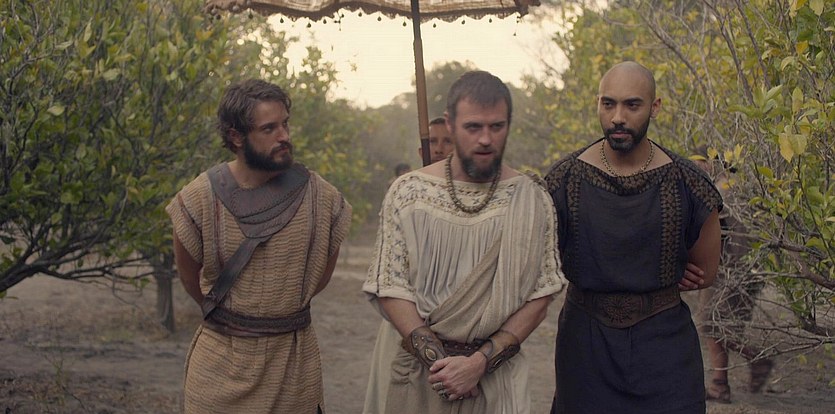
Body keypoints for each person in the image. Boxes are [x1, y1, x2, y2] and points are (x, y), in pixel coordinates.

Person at [362, 70, 565, 413]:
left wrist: (477, 365)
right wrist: (445, 368)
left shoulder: (531, 198)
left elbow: (539, 297)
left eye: (496, 126)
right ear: (450, 124)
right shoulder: (409, 192)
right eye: (473, 127)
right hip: (420, 379)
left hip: (497, 381)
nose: (485, 139)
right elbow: (391, 288)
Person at [543, 61, 723, 413]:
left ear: (654, 107)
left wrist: (664, 272)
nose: (618, 117)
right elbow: (541, 263)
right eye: (608, 104)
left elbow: (705, 272)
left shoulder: (688, 182)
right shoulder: (564, 179)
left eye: (632, 105)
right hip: (586, 344)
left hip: (664, 344)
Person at [166, 79, 352, 413]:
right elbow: (190, 278)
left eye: (285, 124)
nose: (284, 136)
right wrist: (238, 318)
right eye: (269, 128)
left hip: (293, 369)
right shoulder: (200, 198)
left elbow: (321, 273)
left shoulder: (319, 196)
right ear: (236, 137)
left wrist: (281, 311)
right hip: (219, 367)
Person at [692, 147, 772, 403]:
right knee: (716, 325)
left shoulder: (727, 190)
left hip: (732, 270)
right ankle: (720, 384)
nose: (698, 168)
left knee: (711, 323)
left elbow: (741, 238)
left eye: (702, 162)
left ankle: (756, 358)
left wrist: (732, 273)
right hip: (734, 268)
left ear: (716, 163)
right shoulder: (731, 187)